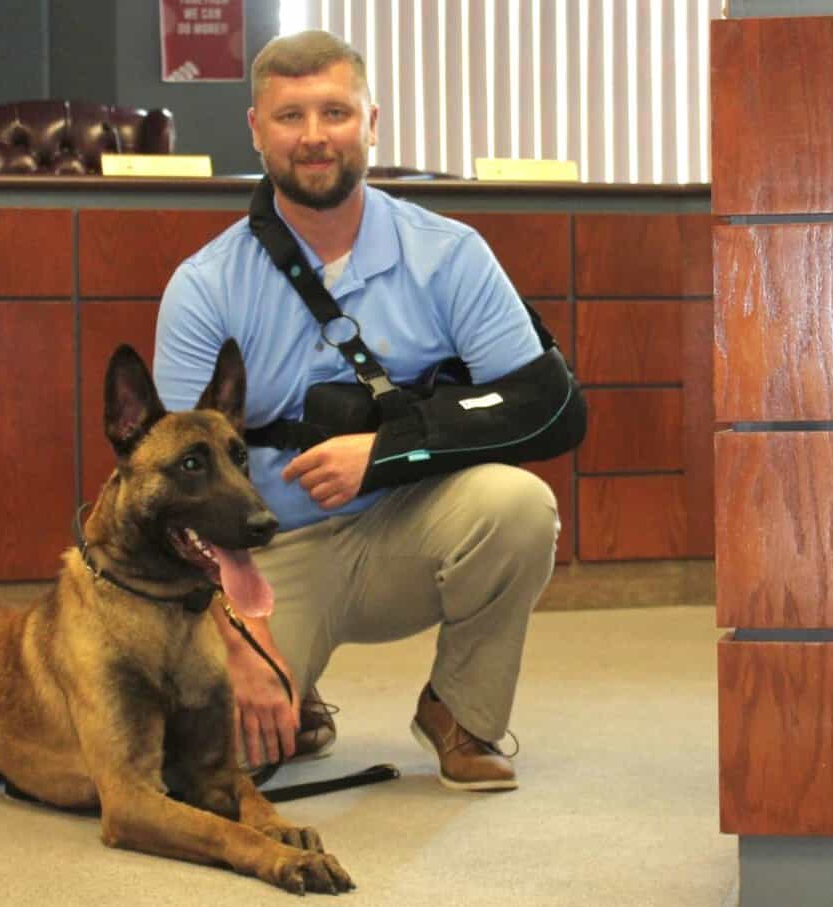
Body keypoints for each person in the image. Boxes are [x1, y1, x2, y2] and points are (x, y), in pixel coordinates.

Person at [153, 29, 562, 792]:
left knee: (519, 506)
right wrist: (242, 636)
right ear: (256, 129)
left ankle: (460, 710)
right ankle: (292, 692)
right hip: (260, 563)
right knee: (202, 770)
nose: (314, 137)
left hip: (402, 533)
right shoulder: (204, 286)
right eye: (291, 115)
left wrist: (387, 453)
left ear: (372, 121)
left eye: (336, 112)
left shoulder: (449, 253)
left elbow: (549, 408)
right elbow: (174, 494)